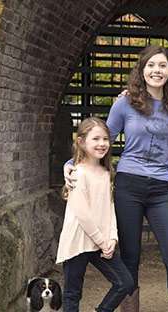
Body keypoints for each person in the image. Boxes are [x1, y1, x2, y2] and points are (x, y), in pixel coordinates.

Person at [65, 45, 168, 312]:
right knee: (130, 258)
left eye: (162, 66)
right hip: (128, 186)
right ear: (142, 70)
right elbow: (101, 139)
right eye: (151, 65)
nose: (157, 70)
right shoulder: (125, 103)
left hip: (161, 189)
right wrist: (71, 163)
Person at [56, 117, 134, 312]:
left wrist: (112, 238)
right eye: (96, 139)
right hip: (79, 241)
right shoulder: (77, 173)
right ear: (81, 142)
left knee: (125, 282)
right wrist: (101, 240)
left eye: (105, 139)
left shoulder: (107, 172)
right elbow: (82, 214)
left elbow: (109, 209)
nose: (102, 144)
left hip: (101, 242)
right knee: (73, 293)